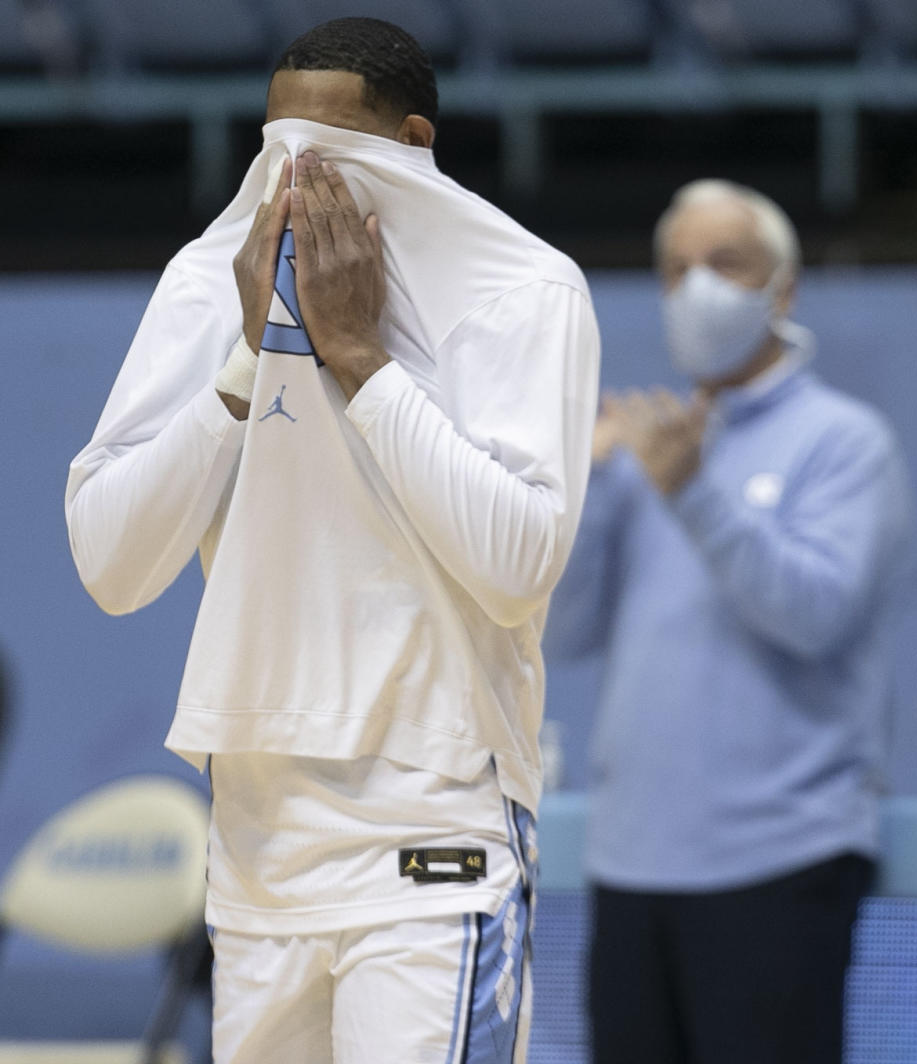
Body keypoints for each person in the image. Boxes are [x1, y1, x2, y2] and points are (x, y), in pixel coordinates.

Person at [65, 18, 599, 1063]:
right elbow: (112, 565)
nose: (299, 183)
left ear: (412, 143)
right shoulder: (208, 281)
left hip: (432, 827)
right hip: (257, 847)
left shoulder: (524, 291)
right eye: (276, 153)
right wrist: (244, 358)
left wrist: (361, 358)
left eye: (334, 155)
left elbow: (517, 562)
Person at [544, 179, 912, 1064]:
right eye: (676, 269)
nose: (696, 288)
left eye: (725, 263)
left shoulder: (844, 442)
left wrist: (694, 493)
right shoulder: (644, 451)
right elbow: (563, 634)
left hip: (780, 859)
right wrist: (589, 489)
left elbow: (814, 614)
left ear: (781, 288)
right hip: (631, 862)